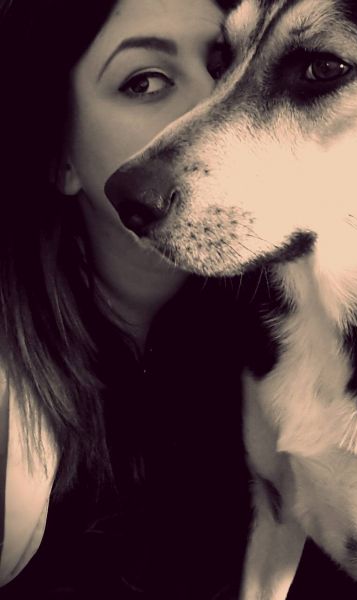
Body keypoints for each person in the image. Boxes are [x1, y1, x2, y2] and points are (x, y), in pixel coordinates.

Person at [0, 0, 251, 597]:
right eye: (144, 82)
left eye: (224, 64)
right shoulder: (16, 404)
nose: (221, 104)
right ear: (58, 158)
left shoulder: (271, 349)